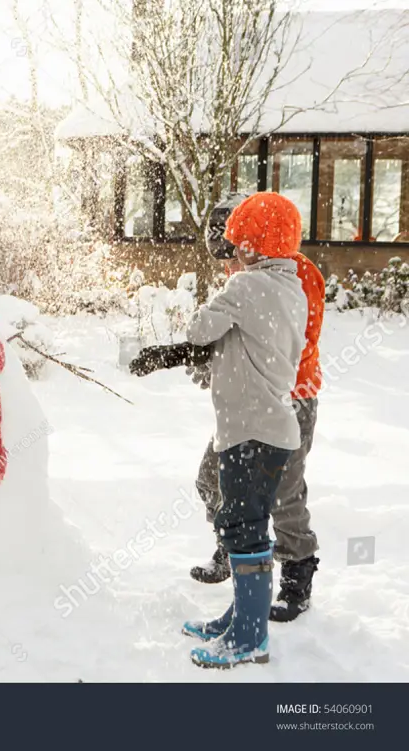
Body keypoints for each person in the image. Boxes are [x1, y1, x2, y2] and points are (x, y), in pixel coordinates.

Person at [130, 192, 324, 623]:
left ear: (256, 244)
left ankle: (296, 573)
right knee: (210, 480)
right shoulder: (253, 277)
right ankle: (234, 545)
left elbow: (279, 346)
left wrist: (226, 354)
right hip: (248, 409)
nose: (227, 263)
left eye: (234, 251)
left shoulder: (292, 277)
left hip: (290, 399)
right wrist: (205, 359)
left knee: (284, 494)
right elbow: (236, 334)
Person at [179, 192, 308, 668]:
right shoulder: (290, 287)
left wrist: (221, 296)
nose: (232, 253)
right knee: (247, 526)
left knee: (243, 530)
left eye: (238, 244)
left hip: (249, 432)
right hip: (268, 430)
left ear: (256, 247)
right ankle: (240, 617)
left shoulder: (248, 287)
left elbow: (198, 329)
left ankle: (250, 636)